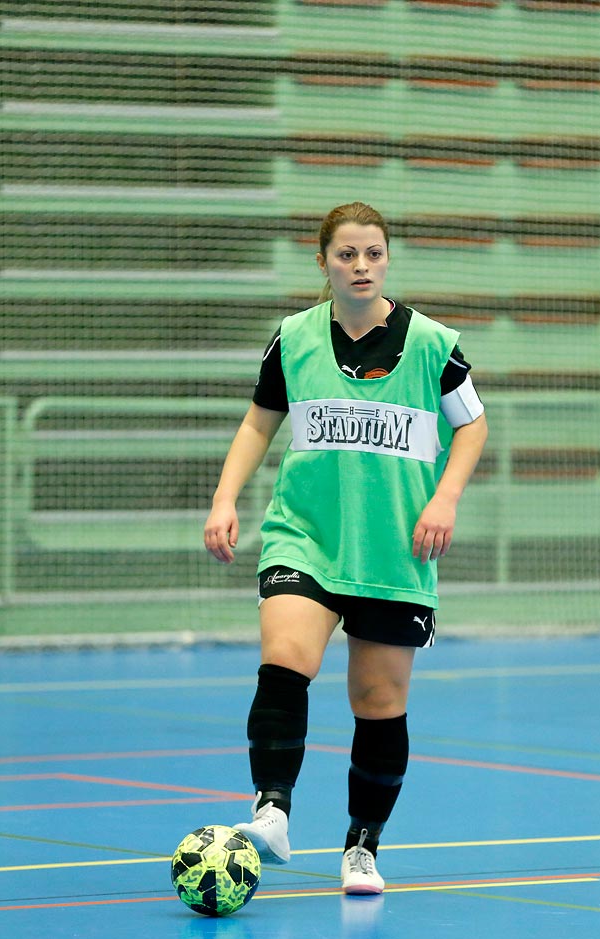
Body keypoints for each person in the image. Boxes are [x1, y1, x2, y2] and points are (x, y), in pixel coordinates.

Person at [204, 202, 488, 894]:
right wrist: (224, 498)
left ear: (387, 259)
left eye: (373, 254)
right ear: (324, 262)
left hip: (394, 547)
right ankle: (272, 808)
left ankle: (363, 845)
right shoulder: (294, 339)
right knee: (286, 657)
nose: (361, 266)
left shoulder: (432, 345)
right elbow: (256, 424)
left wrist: (445, 497)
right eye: (347, 255)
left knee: (377, 700)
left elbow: (473, 427)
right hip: (306, 532)